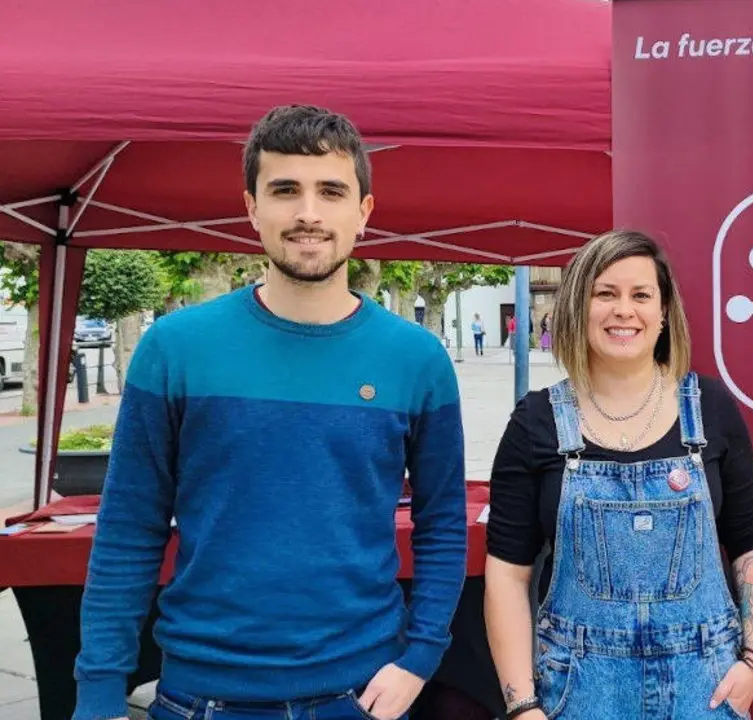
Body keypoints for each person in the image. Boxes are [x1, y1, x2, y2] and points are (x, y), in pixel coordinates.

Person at [72, 105, 469, 720]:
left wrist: (420, 658)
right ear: (252, 208)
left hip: (362, 695)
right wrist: (97, 696)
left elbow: (442, 524)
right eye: (284, 190)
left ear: (363, 211)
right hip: (201, 695)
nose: (308, 212)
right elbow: (128, 527)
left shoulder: (416, 360)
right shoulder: (175, 349)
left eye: (330, 191)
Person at [483, 230, 753, 719]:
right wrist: (522, 706)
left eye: (641, 295)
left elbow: (750, 541)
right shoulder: (534, 422)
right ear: (580, 307)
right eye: (606, 294)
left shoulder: (711, 409)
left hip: (704, 690)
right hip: (578, 693)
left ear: (664, 314)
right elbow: (508, 574)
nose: (624, 310)